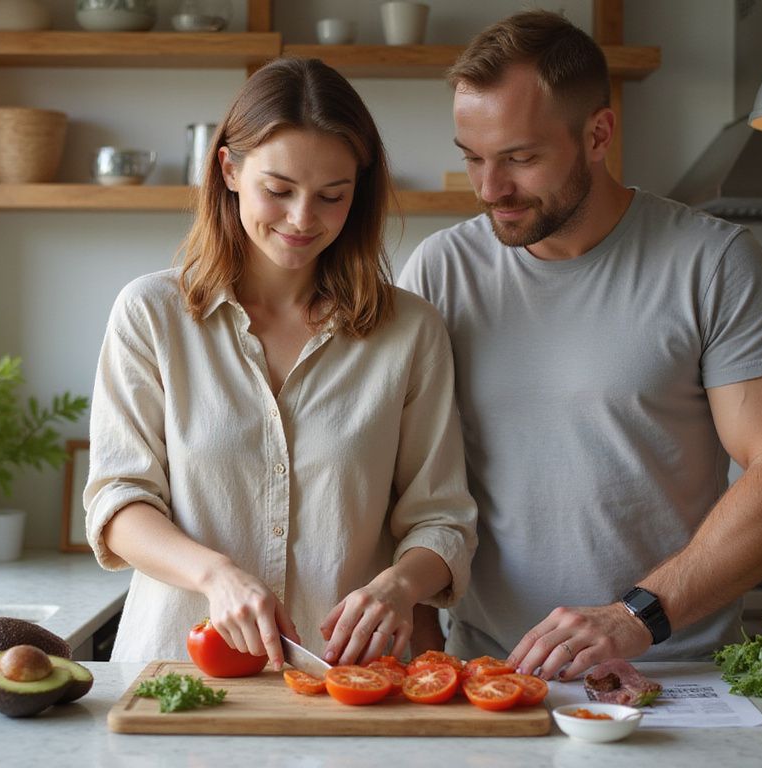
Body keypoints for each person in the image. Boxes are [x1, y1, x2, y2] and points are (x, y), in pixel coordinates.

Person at [397, 10, 762, 679]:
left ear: (598, 134)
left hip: (676, 672)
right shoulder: (440, 271)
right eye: (473, 158)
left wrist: (634, 617)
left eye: (520, 158)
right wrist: (426, 654)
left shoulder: (713, 264)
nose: (490, 190)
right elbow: (405, 480)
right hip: (491, 675)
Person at [83, 58, 477, 671]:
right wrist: (216, 576)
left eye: (331, 196)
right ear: (230, 169)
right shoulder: (151, 315)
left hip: (348, 680)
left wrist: (399, 586)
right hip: (179, 674)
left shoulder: (410, 332)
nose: (301, 219)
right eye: (279, 189)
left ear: (359, 192)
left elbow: (442, 519)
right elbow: (118, 502)